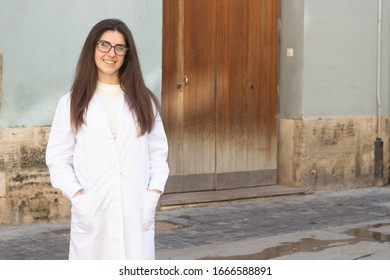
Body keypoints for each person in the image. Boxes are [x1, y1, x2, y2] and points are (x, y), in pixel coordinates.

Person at [45, 19, 169, 260]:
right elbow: (58, 159)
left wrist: (152, 194)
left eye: (119, 47)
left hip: (136, 209)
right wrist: (80, 198)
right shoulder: (71, 103)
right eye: (104, 45)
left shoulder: (145, 101)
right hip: (93, 212)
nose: (111, 53)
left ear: (127, 54)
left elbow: (158, 154)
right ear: (92, 48)